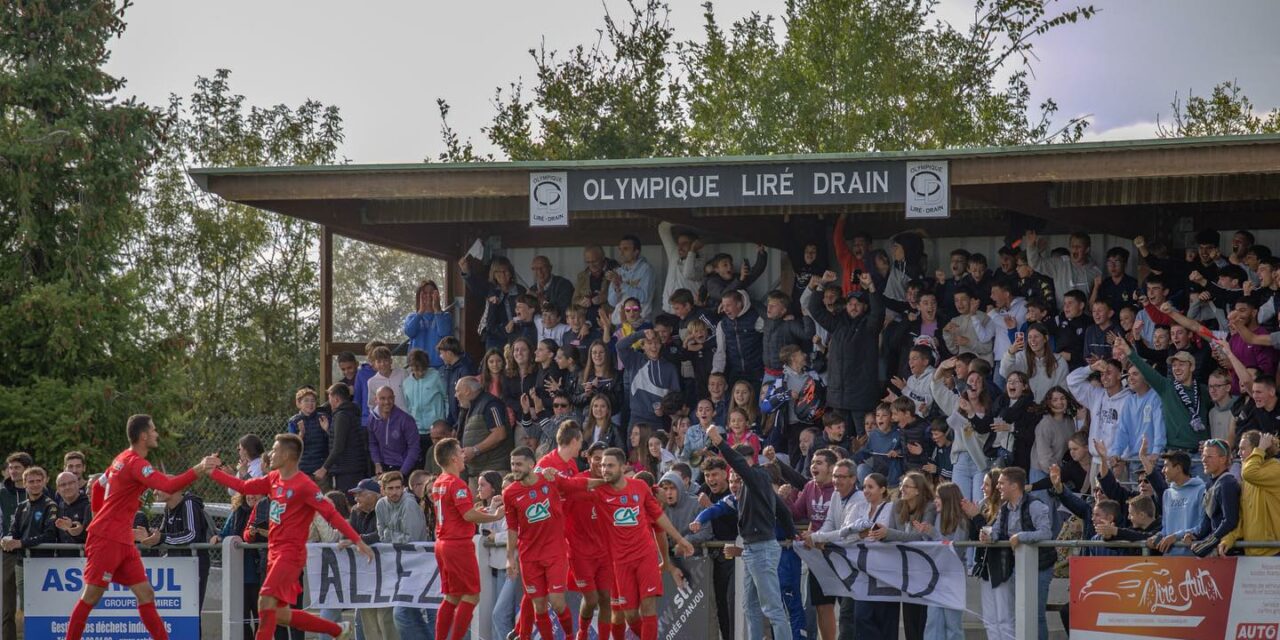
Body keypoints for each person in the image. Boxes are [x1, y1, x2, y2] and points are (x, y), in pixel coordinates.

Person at [208, 434, 373, 640]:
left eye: (275, 450)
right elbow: (243, 487)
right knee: (280, 614)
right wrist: (212, 473)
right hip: (273, 553)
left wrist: (357, 540)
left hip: (290, 554)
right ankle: (338, 630)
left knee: (264, 601)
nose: (270, 454)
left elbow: (331, 514)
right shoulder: (273, 478)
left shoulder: (304, 485)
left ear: (287, 455)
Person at [63, 415, 214, 640]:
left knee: (146, 594)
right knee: (91, 596)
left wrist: (98, 516)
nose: (156, 434)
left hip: (121, 539)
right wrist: (200, 468)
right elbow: (169, 485)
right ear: (143, 436)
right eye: (153, 430)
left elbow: (96, 487)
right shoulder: (136, 463)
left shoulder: (121, 458)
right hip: (107, 539)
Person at [554, 447, 693, 640]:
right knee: (628, 615)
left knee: (648, 606)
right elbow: (567, 486)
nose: (605, 469)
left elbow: (658, 518)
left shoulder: (640, 487)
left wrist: (679, 539)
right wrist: (551, 475)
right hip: (620, 562)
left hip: (645, 556)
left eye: (610, 465)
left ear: (622, 466)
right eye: (602, 465)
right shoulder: (600, 492)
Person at [704, 423, 794, 640]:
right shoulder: (754, 482)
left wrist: (718, 442)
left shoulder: (756, 475)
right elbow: (781, 508)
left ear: (744, 462)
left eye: (735, 466)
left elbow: (737, 463)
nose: (733, 471)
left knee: (772, 609)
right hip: (753, 548)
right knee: (750, 607)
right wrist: (792, 532)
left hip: (760, 549)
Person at [431, 437, 506, 640]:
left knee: (452, 596)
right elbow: (468, 516)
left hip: (442, 543)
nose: (464, 454)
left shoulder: (439, 482)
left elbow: (459, 513)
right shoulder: (457, 484)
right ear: (455, 458)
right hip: (457, 544)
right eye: (461, 452)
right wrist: (494, 516)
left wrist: (474, 511)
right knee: (472, 595)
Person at [502, 447, 576, 640]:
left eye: (518, 464)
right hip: (529, 556)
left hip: (555, 551)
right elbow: (511, 528)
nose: (514, 468)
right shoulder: (510, 493)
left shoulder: (549, 480)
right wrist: (510, 558)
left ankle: (570, 636)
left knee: (557, 602)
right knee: (539, 606)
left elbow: (574, 485)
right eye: (512, 464)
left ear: (531, 464)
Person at [808, 271, 886, 433]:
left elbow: (878, 312)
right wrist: (822, 284)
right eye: (850, 303)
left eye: (858, 303)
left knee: (862, 440)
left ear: (865, 307)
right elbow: (814, 308)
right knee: (840, 440)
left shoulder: (870, 326)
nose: (854, 306)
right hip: (838, 397)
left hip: (861, 398)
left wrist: (871, 286)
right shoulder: (837, 323)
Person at [984, 466, 1054, 640]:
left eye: (1001, 483)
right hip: (1020, 566)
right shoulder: (1005, 508)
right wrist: (988, 535)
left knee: (1036, 613)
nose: (998, 487)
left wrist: (1021, 537)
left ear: (1014, 486)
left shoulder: (1035, 505)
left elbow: (1046, 533)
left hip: (1041, 566)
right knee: (1021, 611)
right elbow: (998, 531)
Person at [785, 449, 838, 640]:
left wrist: (816, 536)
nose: (813, 466)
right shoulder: (809, 487)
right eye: (813, 462)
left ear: (832, 468)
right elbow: (796, 514)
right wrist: (787, 498)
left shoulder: (840, 489)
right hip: (817, 556)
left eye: (819, 463)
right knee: (822, 605)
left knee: (848, 609)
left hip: (838, 553)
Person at [375, 471, 430, 640]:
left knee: (403, 614)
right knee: (410, 615)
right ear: (383, 490)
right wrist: (392, 535)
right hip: (397, 567)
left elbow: (409, 539)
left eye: (398, 488)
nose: (395, 492)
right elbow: (381, 535)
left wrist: (389, 534)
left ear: (403, 487)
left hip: (418, 564)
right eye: (390, 488)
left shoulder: (409, 504)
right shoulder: (381, 505)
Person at [151, 488, 213, 617]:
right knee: (178, 614)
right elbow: (162, 534)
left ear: (173, 487)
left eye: (159, 488)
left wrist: (161, 538)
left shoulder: (188, 503)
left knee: (191, 614)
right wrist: (147, 536)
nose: (154, 492)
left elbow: (191, 534)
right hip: (177, 565)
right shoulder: (168, 507)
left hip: (193, 565)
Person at [1222, 431, 1280, 556]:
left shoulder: (1275, 469)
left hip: (1275, 551)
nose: (1238, 453)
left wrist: (1260, 449)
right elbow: (1243, 519)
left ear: (1258, 449)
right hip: (1252, 552)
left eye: (1243, 449)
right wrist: (1229, 539)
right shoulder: (1248, 478)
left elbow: (1249, 473)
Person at [461, 255, 526, 350]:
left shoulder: (520, 290)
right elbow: (475, 287)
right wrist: (466, 271)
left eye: (505, 271)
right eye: (498, 271)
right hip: (495, 335)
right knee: (494, 361)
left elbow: (526, 312)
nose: (502, 274)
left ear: (511, 273)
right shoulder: (490, 288)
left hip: (517, 334)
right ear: (493, 274)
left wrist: (514, 321)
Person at [1147, 451, 1206, 556]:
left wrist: (1176, 536)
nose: (1163, 470)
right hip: (1170, 560)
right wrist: (1157, 537)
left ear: (1178, 468)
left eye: (1166, 466)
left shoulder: (1201, 490)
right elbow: (1166, 529)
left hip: (1193, 560)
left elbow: (1203, 526)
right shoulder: (1167, 493)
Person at [1023, 229, 1101, 308]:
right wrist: (1031, 246)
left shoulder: (1095, 271)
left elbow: (1096, 305)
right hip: (1063, 317)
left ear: (1087, 249)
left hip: (1085, 318)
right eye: (1072, 246)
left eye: (1078, 247)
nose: (1074, 250)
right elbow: (1036, 264)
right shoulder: (1060, 263)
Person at [455, 377, 514, 478]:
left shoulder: (490, 404)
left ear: (467, 391)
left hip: (494, 471)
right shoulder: (470, 408)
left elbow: (500, 434)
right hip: (476, 472)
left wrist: (475, 450)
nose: (456, 395)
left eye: (457, 391)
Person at [318, 382, 367, 493]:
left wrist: (324, 468)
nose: (328, 401)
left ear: (336, 398)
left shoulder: (342, 416)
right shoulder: (351, 413)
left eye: (329, 397)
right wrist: (328, 430)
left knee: (348, 502)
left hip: (347, 469)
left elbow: (339, 446)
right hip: (352, 467)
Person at [404, 348, 449, 467]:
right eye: (414, 369)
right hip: (417, 431)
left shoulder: (436, 376)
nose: (418, 373)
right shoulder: (406, 383)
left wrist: (445, 420)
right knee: (420, 464)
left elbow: (446, 398)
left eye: (421, 369)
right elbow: (408, 405)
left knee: (438, 463)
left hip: (436, 431)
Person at [713, 290, 766, 386]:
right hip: (736, 373)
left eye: (728, 305)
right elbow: (720, 351)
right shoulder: (722, 324)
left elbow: (772, 334)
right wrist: (717, 372)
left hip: (757, 371)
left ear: (739, 304)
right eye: (723, 306)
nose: (725, 309)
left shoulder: (755, 318)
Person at [368, 385, 421, 477]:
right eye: (382, 398)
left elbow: (414, 448)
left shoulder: (406, 419)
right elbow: (373, 443)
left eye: (390, 398)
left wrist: (402, 473)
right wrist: (377, 463)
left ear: (394, 398)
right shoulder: (372, 419)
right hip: (383, 467)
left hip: (404, 467)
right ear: (376, 400)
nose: (387, 402)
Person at [404, 279, 454, 368]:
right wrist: (420, 312)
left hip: (439, 367)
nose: (428, 296)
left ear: (437, 295)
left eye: (432, 293)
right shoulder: (412, 316)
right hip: (417, 367)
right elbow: (410, 332)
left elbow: (444, 333)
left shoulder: (445, 316)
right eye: (424, 293)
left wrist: (437, 310)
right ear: (419, 296)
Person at [606, 235, 656, 320]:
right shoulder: (618, 271)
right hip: (620, 322)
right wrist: (617, 289)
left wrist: (622, 284)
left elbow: (644, 297)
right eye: (620, 249)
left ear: (636, 251)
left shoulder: (646, 269)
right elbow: (612, 302)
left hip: (640, 322)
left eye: (625, 249)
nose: (621, 253)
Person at [659, 222, 704, 313]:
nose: (680, 247)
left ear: (694, 245)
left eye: (685, 243)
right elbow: (663, 229)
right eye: (679, 243)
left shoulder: (700, 263)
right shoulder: (674, 255)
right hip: (669, 311)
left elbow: (688, 273)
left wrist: (692, 251)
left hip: (689, 312)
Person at [287, 387, 330, 478]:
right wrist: (301, 435)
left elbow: (333, 442)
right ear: (299, 404)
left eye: (313, 401)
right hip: (302, 470)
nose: (310, 404)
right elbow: (291, 448)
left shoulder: (323, 418)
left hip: (321, 469)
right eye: (306, 401)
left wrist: (327, 430)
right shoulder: (294, 421)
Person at [437, 336, 478, 425]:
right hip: (456, 421)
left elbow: (468, 400)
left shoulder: (465, 369)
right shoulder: (448, 370)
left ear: (448, 353)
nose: (441, 357)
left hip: (466, 422)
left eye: (441, 353)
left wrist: (459, 424)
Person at [52, 471, 91, 550]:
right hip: (62, 559)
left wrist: (72, 528)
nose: (67, 487)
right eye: (63, 485)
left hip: (83, 558)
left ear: (78, 484)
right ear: (58, 489)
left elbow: (89, 537)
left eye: (71, 483)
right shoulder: (57, 507)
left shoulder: (88, 505)